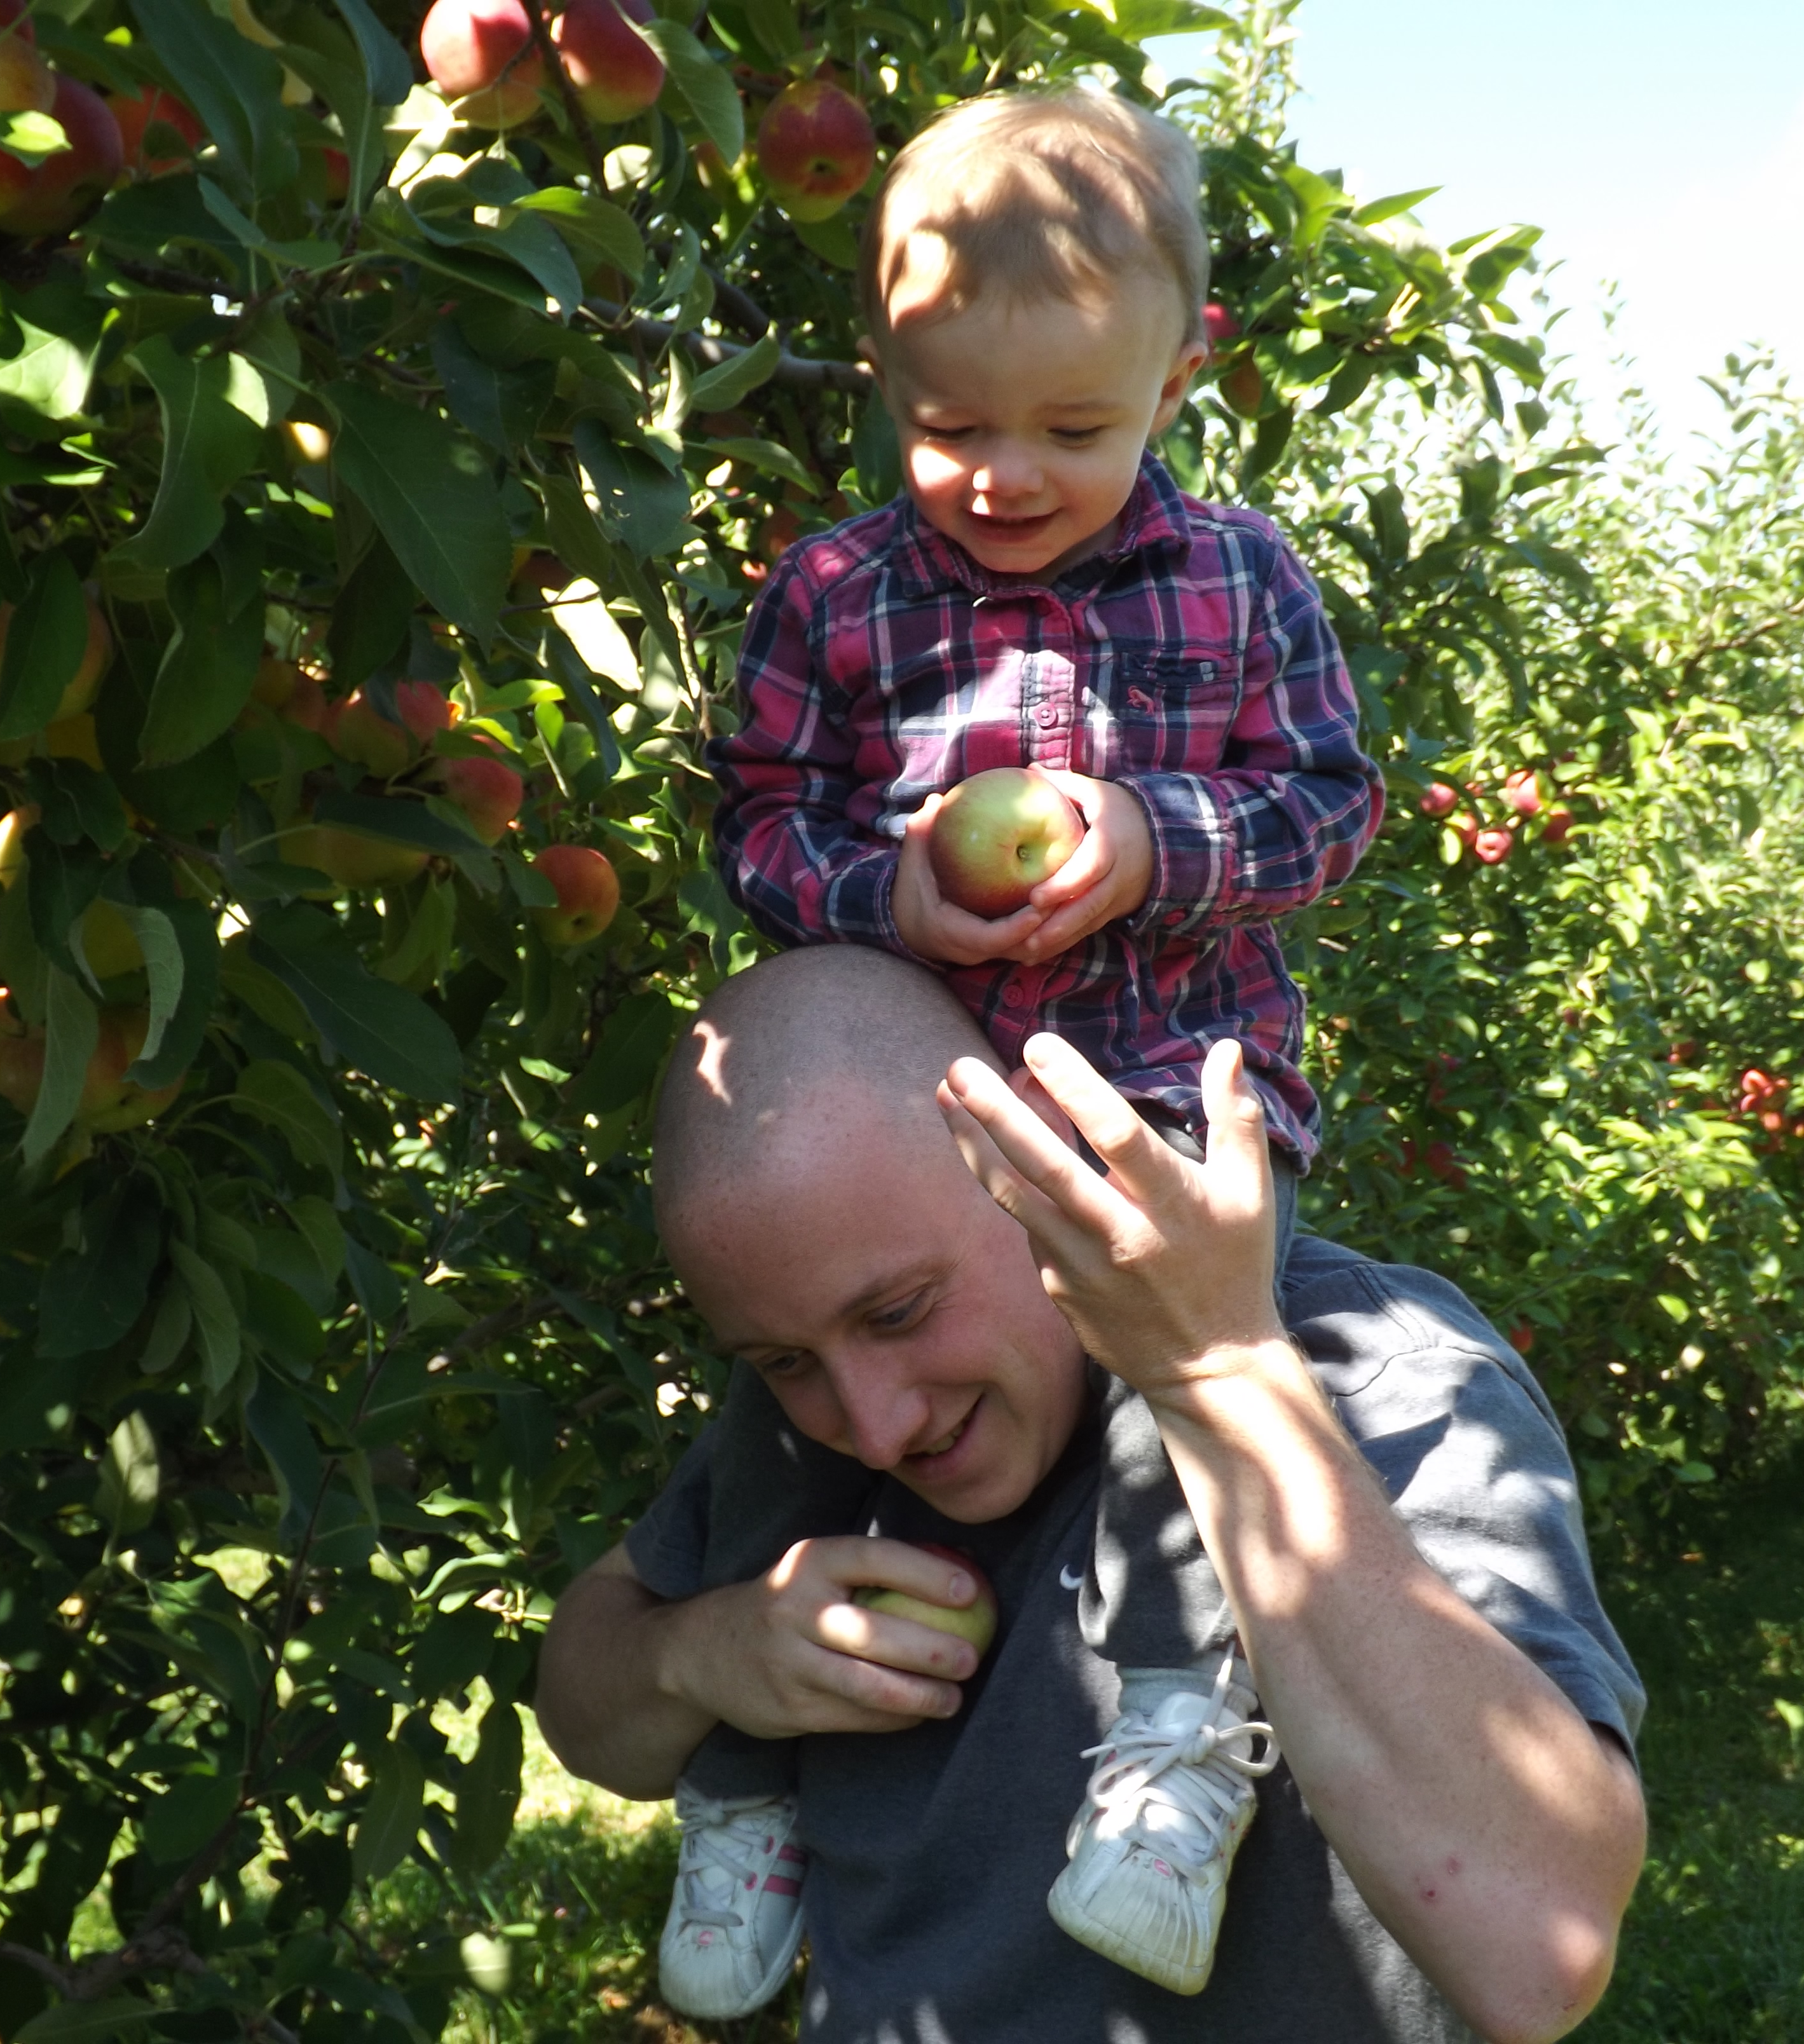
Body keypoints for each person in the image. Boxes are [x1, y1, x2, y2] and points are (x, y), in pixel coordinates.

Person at [676, 83, 1391, 2013]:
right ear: (882, 374)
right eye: (946, 424)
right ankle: (747, 1792)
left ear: (1185, 369)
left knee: (1187, 1387)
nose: (1003, 473)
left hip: (1162, 1091)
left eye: (1071, 427)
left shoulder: (1242, 582)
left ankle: (1169, 1746)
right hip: (910, 1121)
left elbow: (1334, 809)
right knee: (807, 1401)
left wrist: (1161, 842)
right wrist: (877, 896)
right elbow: (749, 823)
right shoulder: (837, 594)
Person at [535, 948, 1648, 2043]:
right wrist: (705, 1653)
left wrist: (1215, 1374)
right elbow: (589, 1719)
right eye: (781, 1360)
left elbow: (1540, 1956)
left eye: (900, 1313)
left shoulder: (1369, 1375)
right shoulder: (806, 1444)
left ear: (1029, 1154)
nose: (877, 1426)